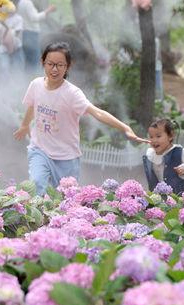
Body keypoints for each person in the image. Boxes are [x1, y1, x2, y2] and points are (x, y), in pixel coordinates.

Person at [14, 42, 146, 195]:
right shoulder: (36, 85)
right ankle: (34, 218)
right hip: (40, 150)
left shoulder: (72, 94)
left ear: (68, 66)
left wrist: (125, 128)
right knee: (36, 184)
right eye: (50, 64)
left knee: (65, 198)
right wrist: (24, 125)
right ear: (43, 62)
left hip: (66, 157)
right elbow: (32, 105)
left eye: (60, 65)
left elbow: (97, 113)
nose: (54, 69)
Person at [142, 118, 184, 194]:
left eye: (158, 136)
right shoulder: (151, 156)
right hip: (164, 199)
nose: (154, 140)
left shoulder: (181, 152)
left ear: (170, 136)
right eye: (151, 137)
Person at [16, 0, 54, 71]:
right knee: (34, 62)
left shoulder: (19, 2)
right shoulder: (27, 2)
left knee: (29, 63)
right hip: (31, 35)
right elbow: (34, 18)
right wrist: (48, 11)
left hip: (24, 35)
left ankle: (27, 82)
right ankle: (34, 82)